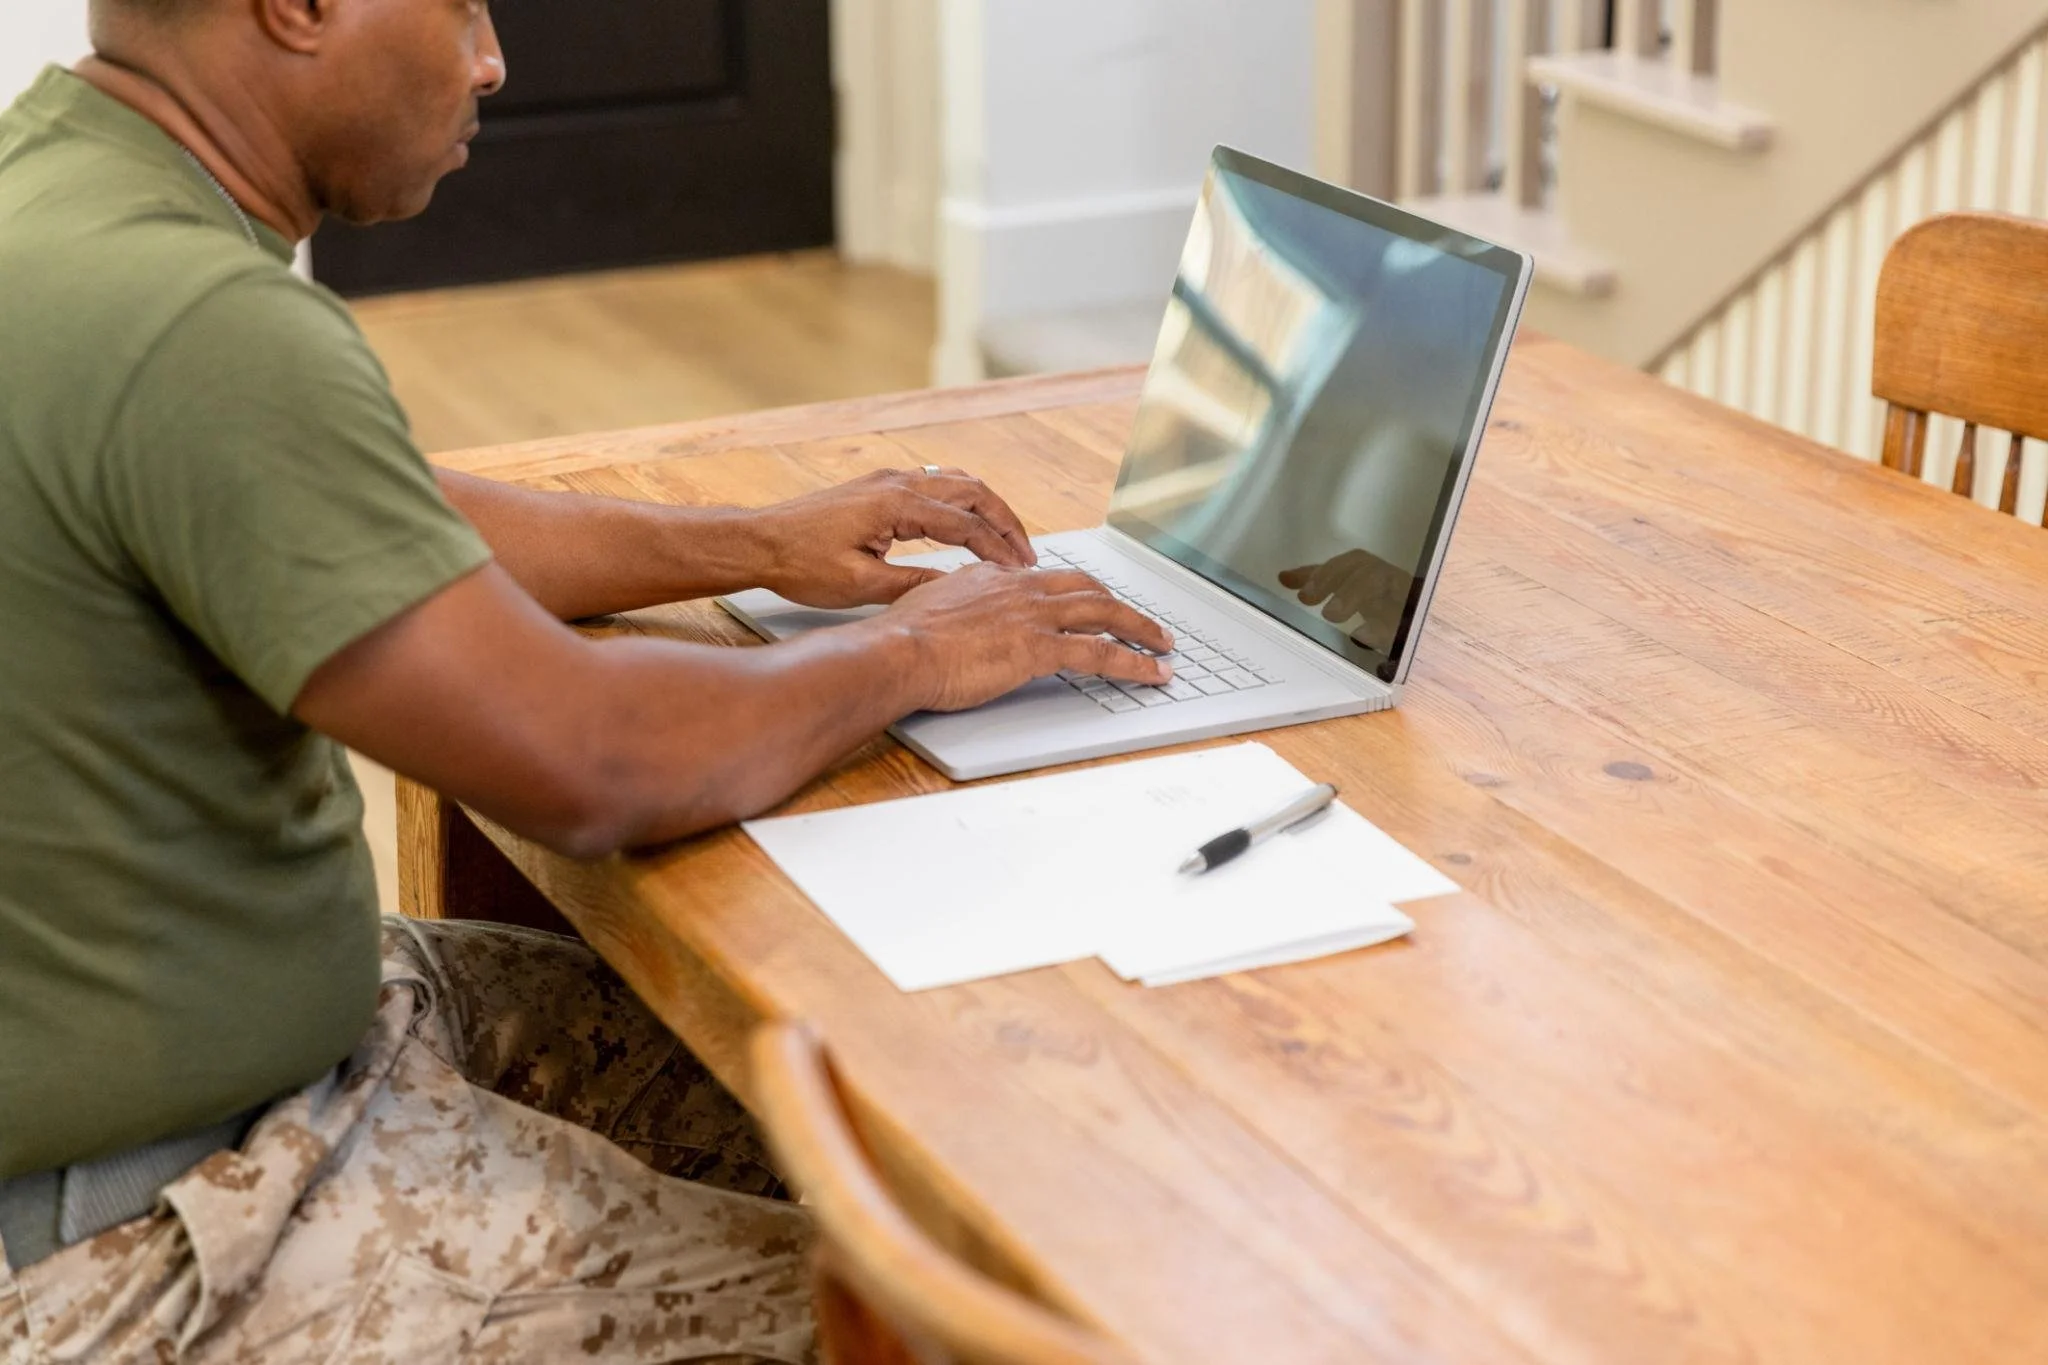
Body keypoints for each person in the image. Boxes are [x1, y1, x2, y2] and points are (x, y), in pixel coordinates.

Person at [0, 0, 1174, 1360]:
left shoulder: (61, 197)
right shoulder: (200, 328)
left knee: (844, 1109)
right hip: (144, 1233)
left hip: (214, 1083)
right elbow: (594, 763)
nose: (493, 58)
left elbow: (361, 507)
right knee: (941, 1323)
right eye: (461, 7)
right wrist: (923, 650)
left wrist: (751, 543)